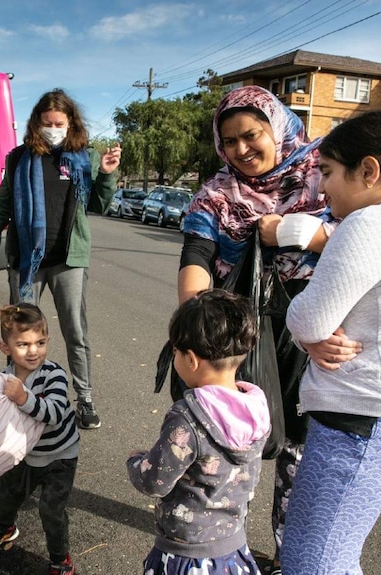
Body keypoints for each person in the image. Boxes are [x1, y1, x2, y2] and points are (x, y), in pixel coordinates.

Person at [176, 85, 356, 574]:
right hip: (242, 333)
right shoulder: (217, 194)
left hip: (315, 331)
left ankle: (286, 555)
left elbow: (362, 239)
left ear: (276, 127)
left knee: (297, 448)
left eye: (251, 135)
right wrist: (198, 326)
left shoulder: (325, 172)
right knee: (235, 443)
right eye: (229, 141)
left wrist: (303, 233)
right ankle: (225, 546)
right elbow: (197, 254)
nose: (241, 150)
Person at [0, 88, 122, 430]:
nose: (53, 129)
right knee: (21, 334)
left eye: (59, 123)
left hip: (68, 259)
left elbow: (98, 205)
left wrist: (108, 174)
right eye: (47, 123)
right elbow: (3, 205)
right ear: (36, 124)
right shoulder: (19, 158)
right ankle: (22, 395)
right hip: (27, 260)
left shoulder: (86, 158)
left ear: (71, 124)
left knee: (74, 330)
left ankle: (83, 398)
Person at [280, 111, 381, 575]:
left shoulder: (366, 224)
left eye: (327, 172)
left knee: (312, 559)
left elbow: (308, 318)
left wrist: (305, 329)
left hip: (354, 420)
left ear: (369, 170)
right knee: (337, 552)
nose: (321, 190)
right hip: (368, 422)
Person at [128, 289, 270, 575]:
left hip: (187, 554)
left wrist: (136, 461)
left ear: (190, 360)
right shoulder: (255, 408)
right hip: (232, 548)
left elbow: (155, 481)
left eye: (176, 352)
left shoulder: (188, 417)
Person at [0, 302, 80, 575]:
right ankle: (4, 525)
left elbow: (56, 412)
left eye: (40, 342)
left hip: (59, 455)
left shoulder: (52, 374)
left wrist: (23, 398)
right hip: (23, 452)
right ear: (5, 348)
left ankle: (61, 560)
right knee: (7, 493)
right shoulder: (5, 378)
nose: (34, 351)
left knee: (51, 510)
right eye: (23, 344)